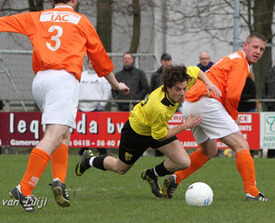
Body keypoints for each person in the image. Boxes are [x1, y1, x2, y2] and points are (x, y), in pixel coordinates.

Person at [0, 0, 129, 213]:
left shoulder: (38, 17)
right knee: (54, 136)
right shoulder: (80, 21)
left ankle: (59, 182)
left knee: (63, 133)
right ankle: (24, 189)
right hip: (63, 80)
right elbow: (100, 59)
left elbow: (2, 22)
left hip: (41, 81)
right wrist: (116, 84)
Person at [75, 65, 221, 198]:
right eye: (178, 89)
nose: (182, 93)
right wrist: (185, 125)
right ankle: (89, 160)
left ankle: (151, 174)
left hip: (156, 128)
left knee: (183, 162)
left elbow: (196, 70)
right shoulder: (159, 107)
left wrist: (209, 83)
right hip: (136, 132)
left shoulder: (182, 80)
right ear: (167, 88)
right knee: (120, 168)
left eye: (184, 88)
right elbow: (161, 136)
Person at [162, 32, 270, 202]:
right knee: (242, 144)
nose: (258, 51)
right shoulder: (241, 62)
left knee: (209, 150)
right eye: (255, 47)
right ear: (245, 46)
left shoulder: (234, 58)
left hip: (191, 103)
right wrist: (234, 116)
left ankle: (176, 178)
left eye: (262, 49)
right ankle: (252, 192)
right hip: (206, 102)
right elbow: (233, 95)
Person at [78, 58, 112, 156]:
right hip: (81, 108)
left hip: (96, 109)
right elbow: (74, 89)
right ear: (87, 64)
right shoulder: (81, 76)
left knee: (98, 132)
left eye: (93, 63)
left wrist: (101, 105)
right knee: (83, 132)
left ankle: (102, 152)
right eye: (90, 63)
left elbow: (107, 91)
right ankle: (83, 151)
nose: (91, 65)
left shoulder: (102, 77)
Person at [149, 52, 173, 157]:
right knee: (159, 129)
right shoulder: (155, 75)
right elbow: (151, 90)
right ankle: (158, 152)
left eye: (168, 60)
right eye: (165, 60)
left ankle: (171, 152)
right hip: (158, 106)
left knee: (169, 131)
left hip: (170, 107)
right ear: (161, 62)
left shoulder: (174, 74)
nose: (167, 62)